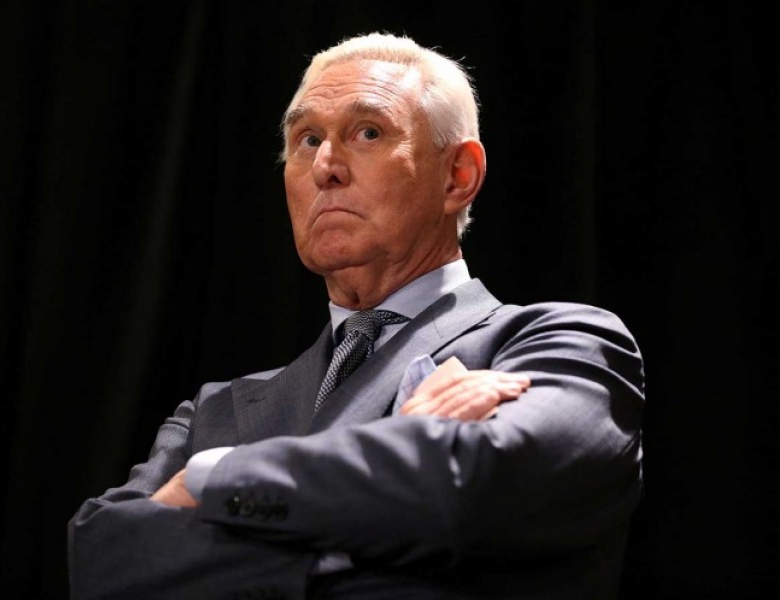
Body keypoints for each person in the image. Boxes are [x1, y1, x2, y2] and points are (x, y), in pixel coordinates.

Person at [68, 32, 645, 600]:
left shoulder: (562, 346)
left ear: (458, 176)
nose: (325, 166)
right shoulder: (212, 413)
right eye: (306, 139)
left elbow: (476, 494)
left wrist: (212, 478)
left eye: (368, 132)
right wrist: (404, 463)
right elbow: (102, 559)